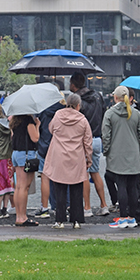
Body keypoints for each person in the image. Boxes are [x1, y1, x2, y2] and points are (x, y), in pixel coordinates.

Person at [44, 93, 93, 229]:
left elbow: (51, 129)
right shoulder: (82, 120)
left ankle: (59, 220)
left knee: (59, 189)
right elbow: (88, 141)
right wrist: (89, 159)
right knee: (77, 189)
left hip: (59, 157)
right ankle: (76, 220)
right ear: (78, 105)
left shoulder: (58, 115)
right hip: (76, 157)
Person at [102, 86, 140, 230]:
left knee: (121, 186)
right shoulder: (137, 114)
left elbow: (106, 136)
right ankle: (132, 218)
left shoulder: (110, 114)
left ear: (115, 97)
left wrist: (107, 151)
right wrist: (137, 150)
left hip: (116, 154)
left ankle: (122, 218)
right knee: (133, 187)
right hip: (133, 154)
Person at [68, 72, 110, 217]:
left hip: (83, 140)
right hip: (97, 138)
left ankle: (87, 207)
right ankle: (104, 205)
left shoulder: (76, 100)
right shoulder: (98, 96)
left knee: (84, 174)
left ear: (73, 85)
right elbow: (104, 114)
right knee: (95, 172)